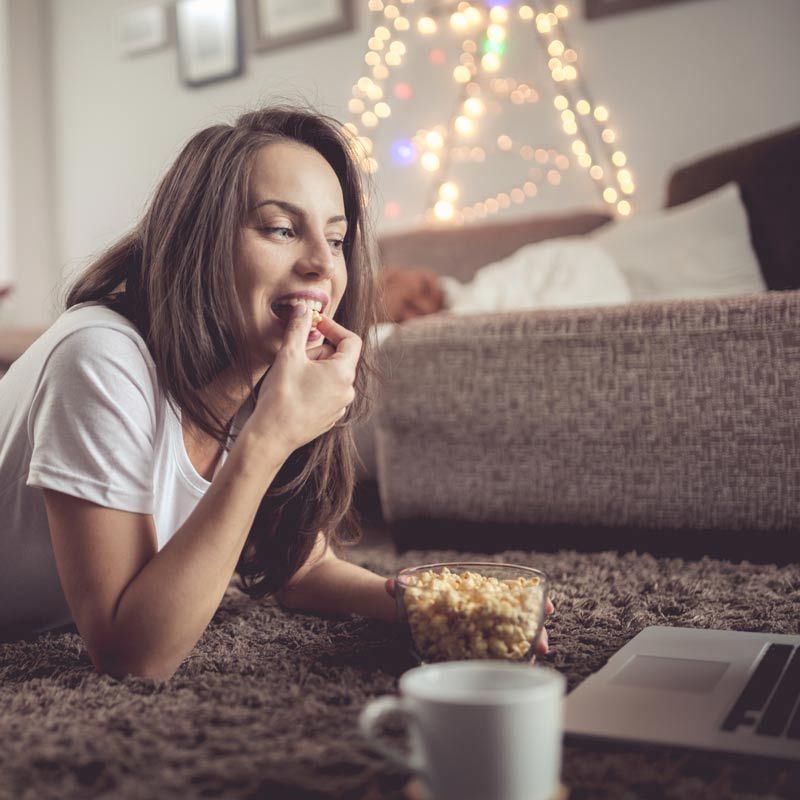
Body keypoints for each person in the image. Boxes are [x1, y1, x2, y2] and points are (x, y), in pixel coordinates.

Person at [0, 106, 551, 678]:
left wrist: (424, 603)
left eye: (335, 239)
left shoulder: (256, 365)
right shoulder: (100, 357)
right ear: (200, 242)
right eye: (282, 229)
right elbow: (132, 654)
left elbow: (301, 567)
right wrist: (269, 437)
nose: (321, 265)